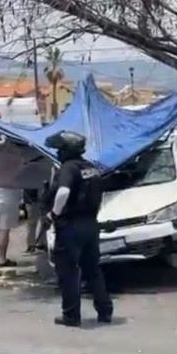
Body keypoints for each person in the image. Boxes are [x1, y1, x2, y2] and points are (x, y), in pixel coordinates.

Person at [45, 130, 113, 327]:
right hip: (91, 224)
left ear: (67, 150)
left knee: (67, 272)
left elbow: (63, 192)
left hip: (70, 226)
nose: (58, 153)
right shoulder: (91, 168)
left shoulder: (69, 168)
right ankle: (105, 311)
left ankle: (71, 315)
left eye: (59, 149)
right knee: (93, 270)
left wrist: (53, 214)